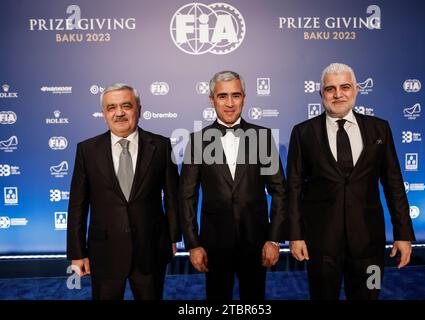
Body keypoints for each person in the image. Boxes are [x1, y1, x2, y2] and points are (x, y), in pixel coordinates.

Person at [287, 63, 415, 300]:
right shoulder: (303, 132)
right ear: (321, 94)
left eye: (345, 87)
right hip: (321, 244)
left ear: (356, 90)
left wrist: (403, 234)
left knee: (370, 295)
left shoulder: (380, 129)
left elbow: (394, 184)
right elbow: (294, 188)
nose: (338, 94)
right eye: (330, 89)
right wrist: (295, 235)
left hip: (370, 244)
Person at [179, 71, 287, 300]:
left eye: (236, 95)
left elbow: (279, 191)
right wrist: (192, 244)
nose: (229, 103)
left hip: (256, 242)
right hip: (213, 244)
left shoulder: (263, 137)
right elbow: (187, 197)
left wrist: (274, 239)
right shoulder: (197, 141)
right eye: (222, 96)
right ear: (211, 99)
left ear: (244, 98)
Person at [67, 83, 180, 300]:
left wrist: (173, 236)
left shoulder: (161, 146)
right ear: (103, 113)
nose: (119, 113)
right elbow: (77, 206)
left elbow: (173, 197)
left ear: (139, 109)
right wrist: (77, 253)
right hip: (104, 253)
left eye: (126, 106)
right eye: (111, 107)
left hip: (151, 249)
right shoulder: (87, 150)